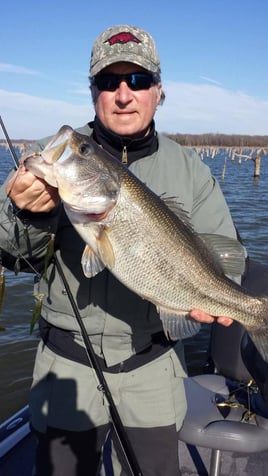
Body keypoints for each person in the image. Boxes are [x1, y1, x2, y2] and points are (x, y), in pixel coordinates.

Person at [0, 25, 239, 476]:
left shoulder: (191, 169)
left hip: (152, 365)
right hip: (66, 363)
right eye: (109, 82)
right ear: (94, 92)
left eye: (139, 80)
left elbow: (231, 257)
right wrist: (28, 216)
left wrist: (220, 296)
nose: (124, 94)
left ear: (159, 92)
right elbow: (11, 255)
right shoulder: (52, 160)